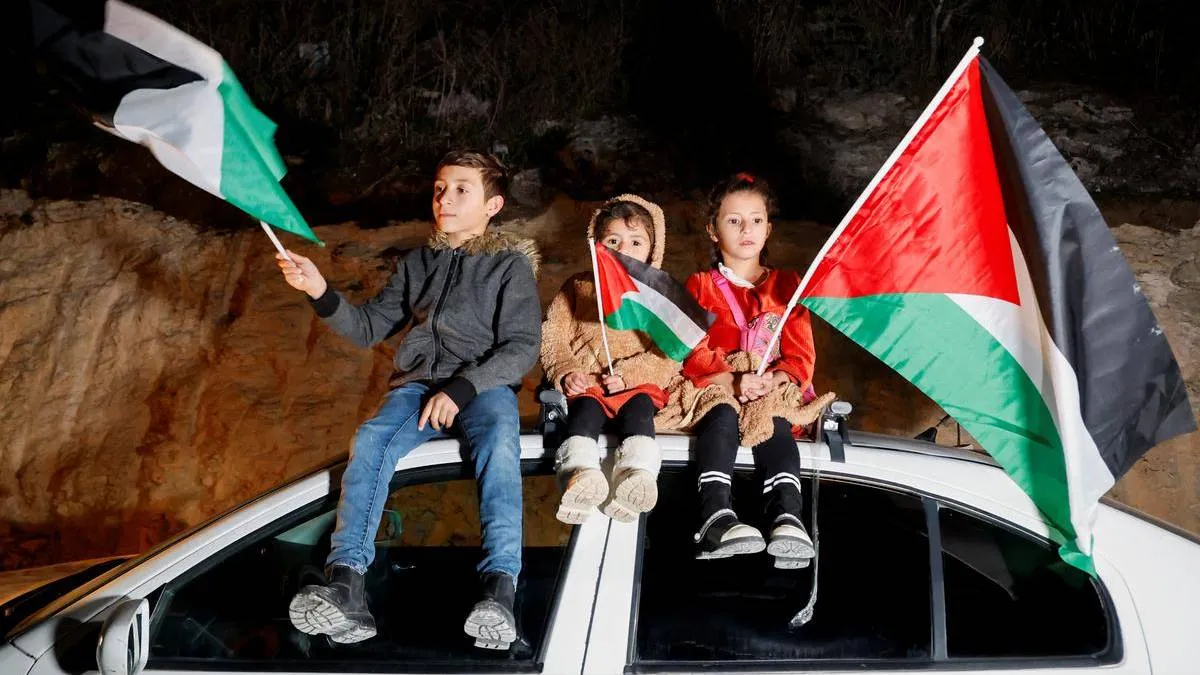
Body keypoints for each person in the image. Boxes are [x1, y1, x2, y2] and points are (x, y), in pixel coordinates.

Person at [275, 151, 541, 649]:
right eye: (440, 188)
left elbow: (523, 346)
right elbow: (368, 327)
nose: (445, 198)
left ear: (493, 205)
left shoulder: (509, 267)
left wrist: (462, 389)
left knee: (499, 446)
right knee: (371, 439)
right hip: (418, 387)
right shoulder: (418, 263)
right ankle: (347, 584)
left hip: (481, 386)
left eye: (461, 189)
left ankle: (500, 589)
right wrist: (320, 291)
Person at [658, 173, 834, 568]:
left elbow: (800, 356)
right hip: (718, 385)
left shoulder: (788, 286)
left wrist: (775, 380)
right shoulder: (699, 285)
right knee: (721, 415)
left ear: (768, 229)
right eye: (733, 221)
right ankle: (715, 515)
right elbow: (691, 350)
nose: (746, 230)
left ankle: (786, 515)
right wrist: (732, 380)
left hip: (770, 388)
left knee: (774, 420)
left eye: (755, 220)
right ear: (713, 230)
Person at [540, 195, 679, 524]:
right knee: (585, 412)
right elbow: (553, 335)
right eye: (613, 241)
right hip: (589, 385)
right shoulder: (577, 287)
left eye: (636, 242)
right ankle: (580, 473)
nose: (623, 250)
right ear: (597, 244)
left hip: (635, 388)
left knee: (640, 412)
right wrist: (567, 371)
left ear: (653, 249)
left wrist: (629, 376)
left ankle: (636, 475)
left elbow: (669, 354)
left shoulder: (660, 296)